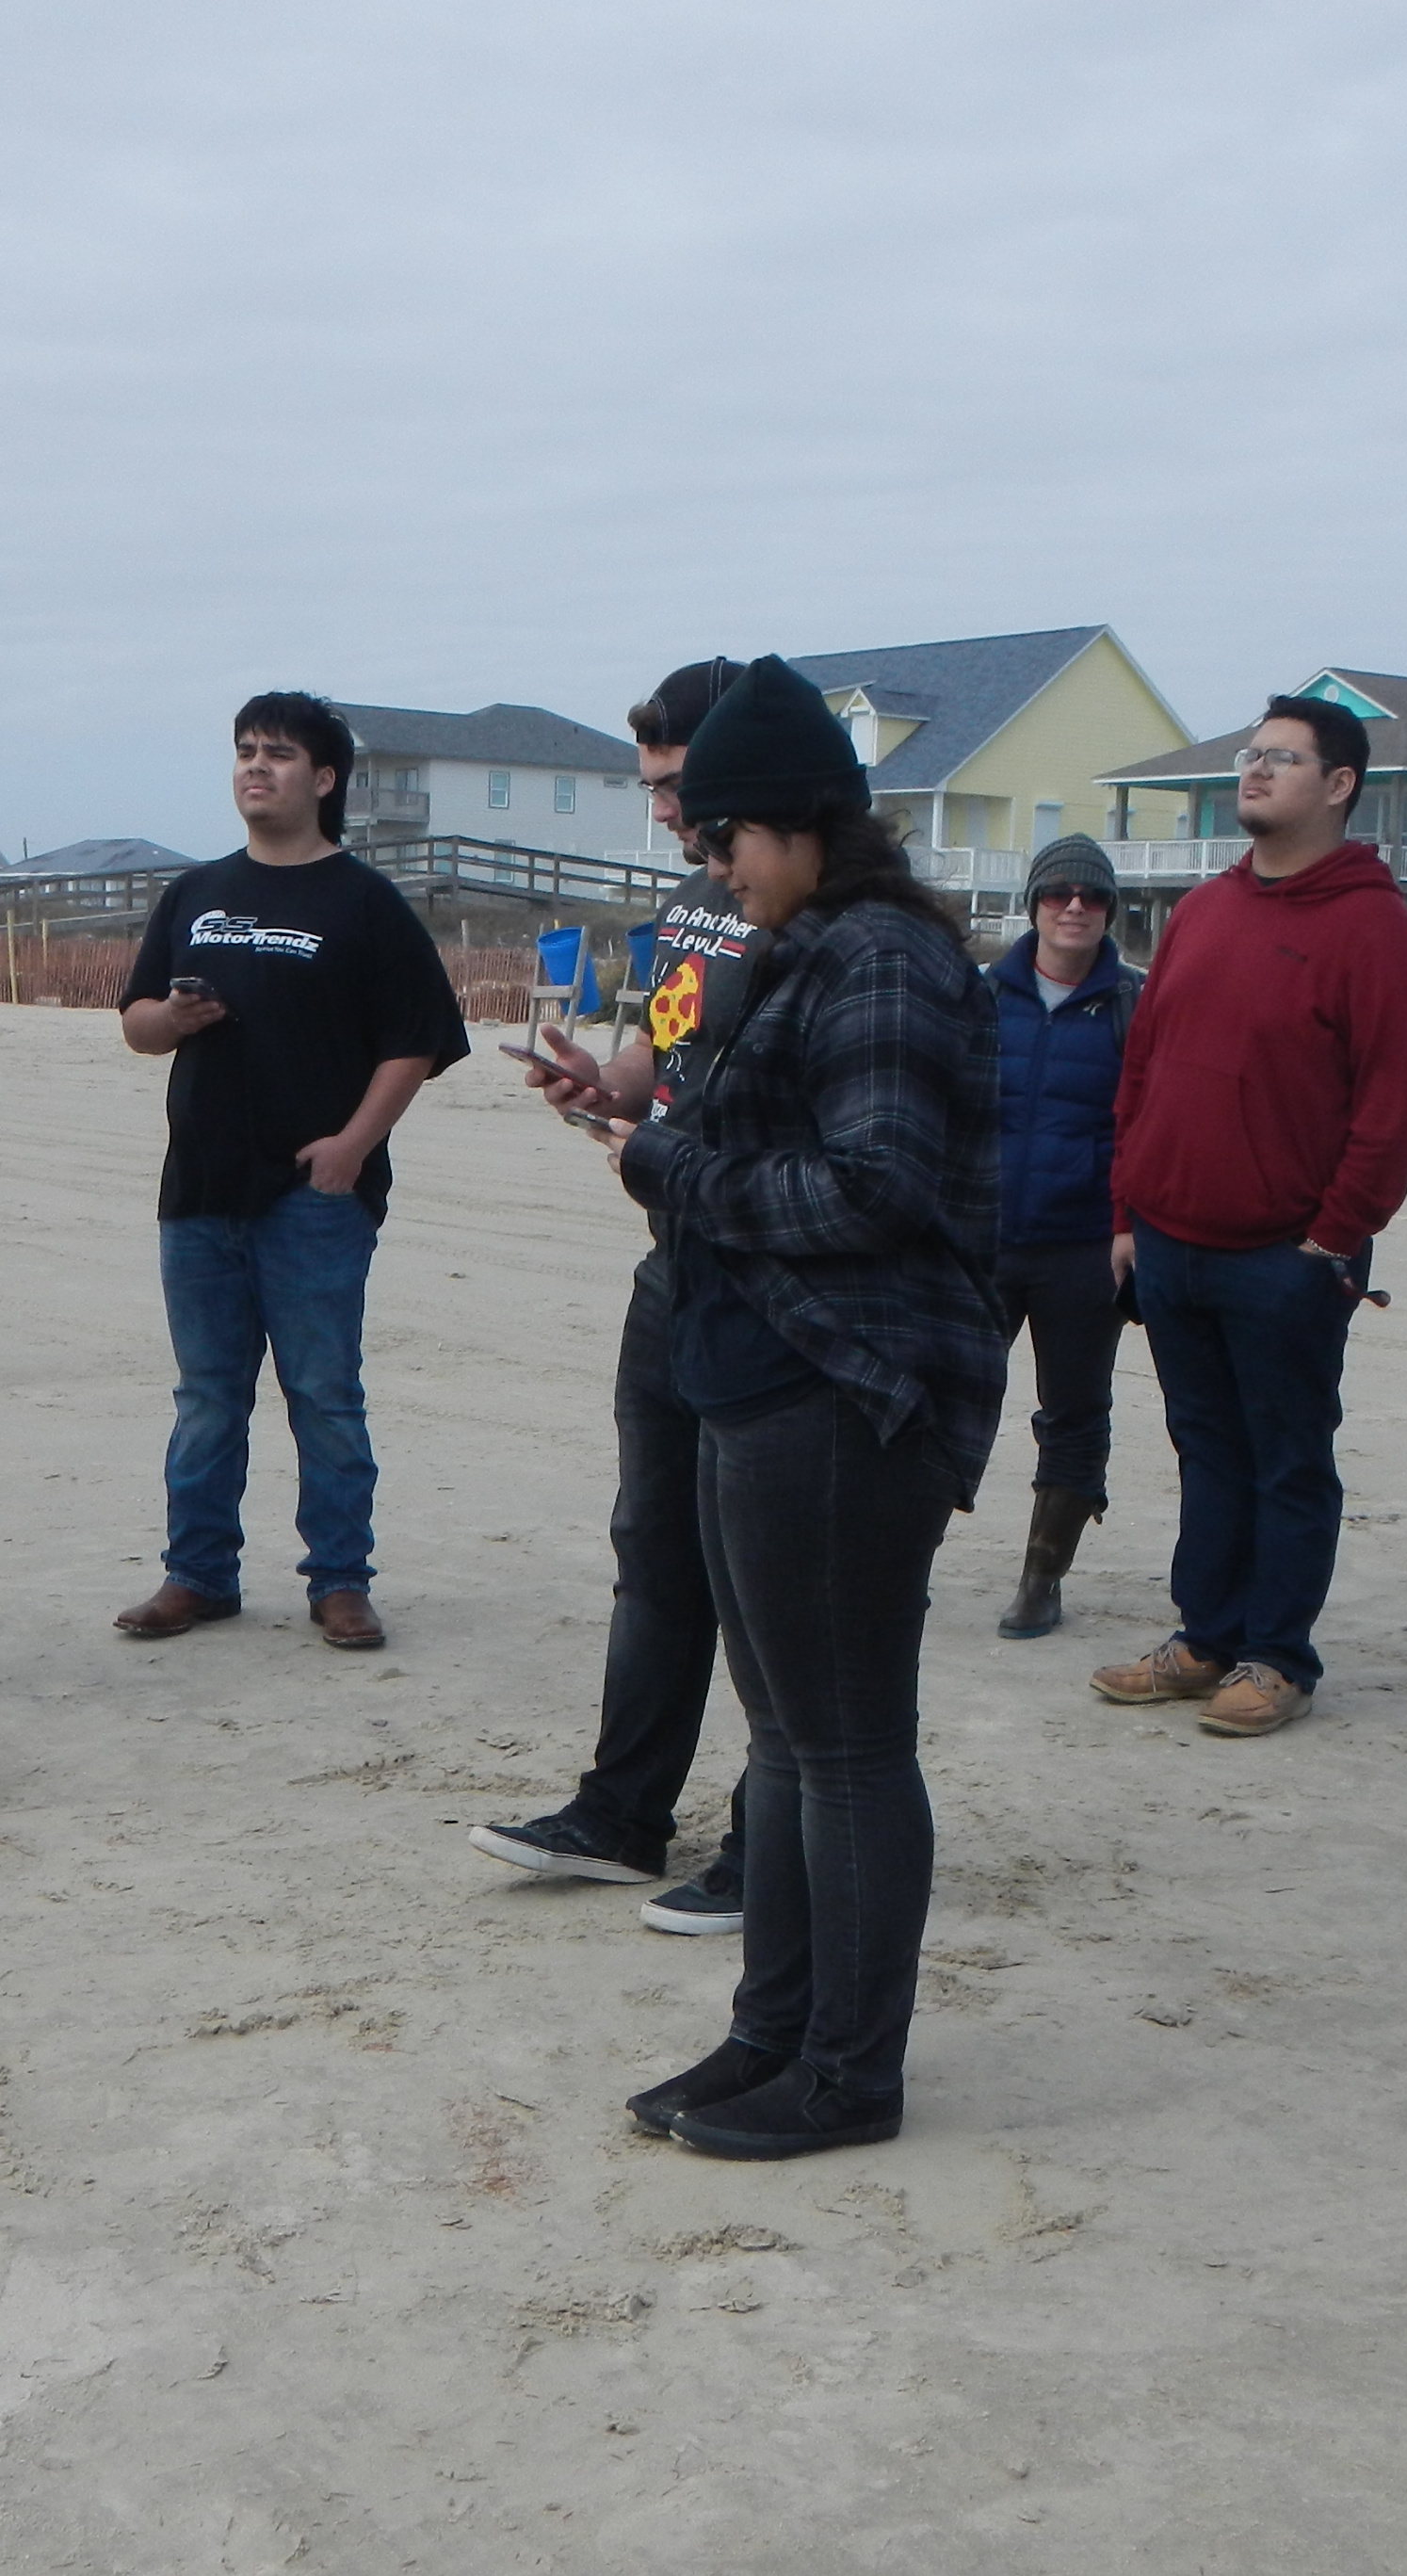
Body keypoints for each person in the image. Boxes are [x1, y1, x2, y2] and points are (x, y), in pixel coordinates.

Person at [596, 656, 1004, 2161]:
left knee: (841, 1748)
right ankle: (772, 2033)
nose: (713, 869)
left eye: (727, 842)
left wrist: (672, 1166)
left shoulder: (880, 957)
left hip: (849, 1390)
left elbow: (875, 1185)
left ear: (798, 824)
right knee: (782, 1745)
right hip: (761, 1374)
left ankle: (851, 2074)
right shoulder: (817, 943)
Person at [468, 659, 764, 1934]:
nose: (659, 809)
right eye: (647, 785)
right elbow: (665, 1054)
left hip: (776, 1284)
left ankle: (775, 1843)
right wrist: (606, 1085)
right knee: (655, 1555)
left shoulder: (818, 915)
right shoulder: (697, 904)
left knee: (762, 1582)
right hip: (676, 1267)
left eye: (673, 784)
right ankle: (621, 1815)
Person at [1089, 696, 1407, 1738]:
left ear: (1337, 786)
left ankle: (1277, 1655)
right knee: (1205, 1445)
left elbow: (1396, 1105)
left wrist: (1332, 1235)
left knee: (1287, 1454)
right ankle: (1206, 1637)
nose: (1254, 773)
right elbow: (1142, 1069)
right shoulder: (1202, 911)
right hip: (1168, 1238)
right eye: (1251, 756)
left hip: (1286, 1254)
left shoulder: (1371, 927)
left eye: (1281, 759)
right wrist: (1125, 1212)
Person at [112, 693, 471, 1652]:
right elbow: (137, 1022)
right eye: (243, 751)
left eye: (277, 753)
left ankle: (340, 1581)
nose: (255, 767)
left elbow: (418, 1041)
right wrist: (171, 1022)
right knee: (206, 1395)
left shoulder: (363, 903)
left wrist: (354, 1145)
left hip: (314, 1196)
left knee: (323, 1393)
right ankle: (197, 1575)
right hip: (199, 1190)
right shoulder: (195, 893)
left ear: (323, 780)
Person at [985, 832, 1142, 1636]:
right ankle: (898, 1563)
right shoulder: (980, 996)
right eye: (1057, 894)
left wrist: (1133, 1229)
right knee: (948, 1403)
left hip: (1087, 1245)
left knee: (1075, 1410)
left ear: (1111, 909)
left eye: (1092, 896)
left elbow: (1153, 1126)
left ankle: (1042, 1577)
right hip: (983, 1241)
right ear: (1034, 905)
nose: (1074, 907)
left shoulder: (1135, 1005)